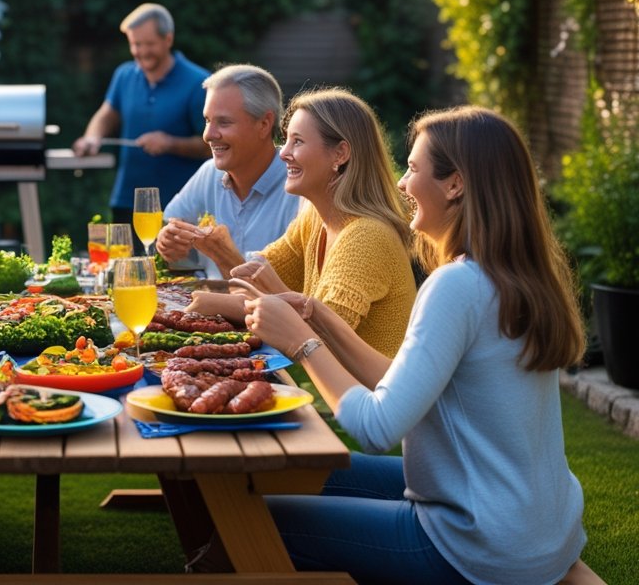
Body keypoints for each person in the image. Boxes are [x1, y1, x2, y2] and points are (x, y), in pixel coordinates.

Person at [245, 106, 601, 585]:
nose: (400, 184)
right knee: (290, 467)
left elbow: (377, 427)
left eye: (412, 169)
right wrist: (319, 316)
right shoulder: (515, 278)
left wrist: (302, 343)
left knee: (248, 523)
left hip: (474, 541)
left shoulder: (457, 286)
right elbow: (400, 382)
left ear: (454, 184)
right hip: (538, 528)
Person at [192, 87, 415, 357]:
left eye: (297, 141)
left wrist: (202, 302)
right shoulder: (313, 218)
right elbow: (250, 281)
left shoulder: (365, 236)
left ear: (340, 154)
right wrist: (195, 300)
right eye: (285, 140)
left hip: (366, 397)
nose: (283, 153)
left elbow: (319, 342)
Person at [154, 64, 300, 280]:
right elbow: (170, 229)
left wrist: (225, 257)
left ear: (264, 124)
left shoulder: (299, 187)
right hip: (208, 311)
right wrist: (168, 244)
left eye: (224, 122)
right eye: (207, 120)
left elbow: (294, 298)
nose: (208, 135)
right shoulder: (209, 173)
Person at [72, 3, 210, 223]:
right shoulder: (124, 75)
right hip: (127, 201)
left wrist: (169, 143)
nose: (141, 52)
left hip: (179, 205)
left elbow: (211, 146)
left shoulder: (198, 82)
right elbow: (107, 115)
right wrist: (92, 137)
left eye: (149, 44)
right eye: (135, 44)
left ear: (168, 39)